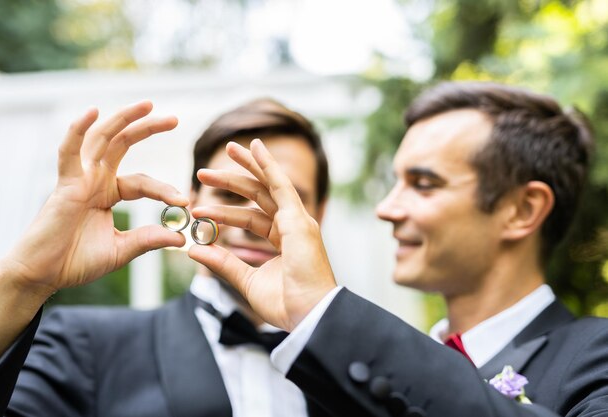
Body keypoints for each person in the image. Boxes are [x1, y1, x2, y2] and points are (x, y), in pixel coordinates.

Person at [185, 81, 608, 417]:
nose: (386, 209)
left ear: (522, 210)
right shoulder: (358, 377)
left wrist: (322, 312)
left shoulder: (595, 359)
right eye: (395, 181)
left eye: (424, 185)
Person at [0, 98, 331, 416]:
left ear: (320, 213)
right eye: (232, 194)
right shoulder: (84, 345)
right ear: (192, 199)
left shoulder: (352, 365)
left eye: (284, 201)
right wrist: (22, 281)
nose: (255, 222)